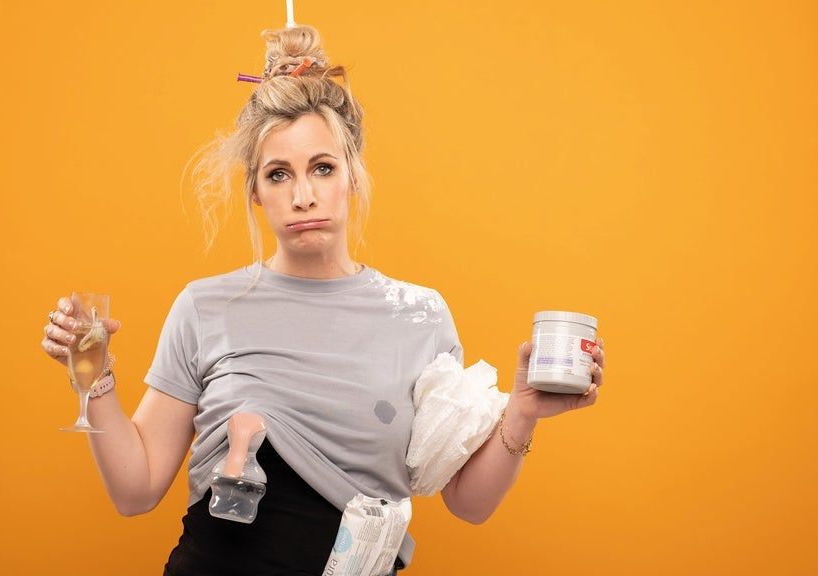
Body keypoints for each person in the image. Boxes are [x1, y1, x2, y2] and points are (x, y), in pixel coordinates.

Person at [41, 24, 606, 576]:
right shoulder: (204, 307)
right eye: (278, 174)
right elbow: (136, 491)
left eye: (323, 168)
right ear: (255, 191)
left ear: (352, 176)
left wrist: (522, 412)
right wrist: (94, 378)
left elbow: (469, 503)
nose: (303, 195)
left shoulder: (419, 315)